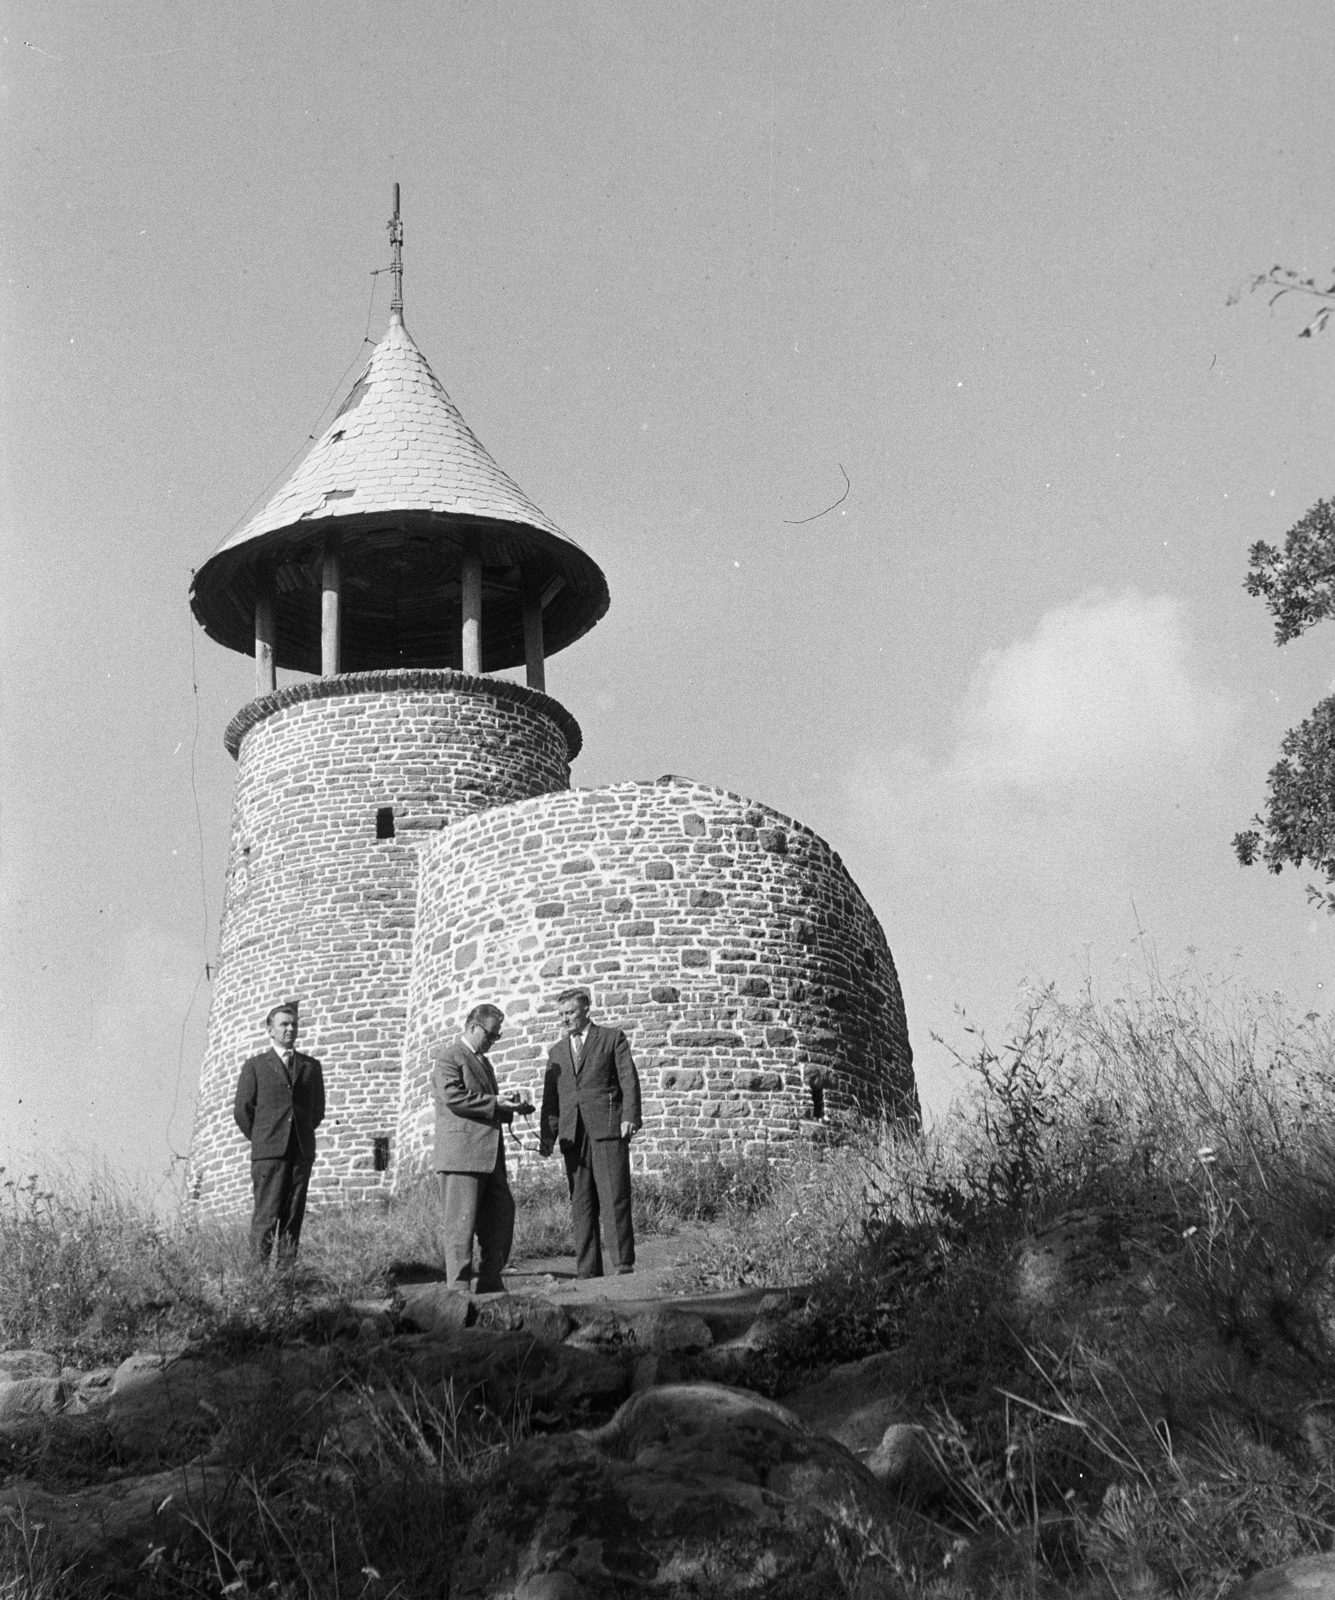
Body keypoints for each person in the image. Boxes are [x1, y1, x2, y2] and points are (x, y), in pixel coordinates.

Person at [539, 987, 642, 1277]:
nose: (565, 1019)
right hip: (572, 1134)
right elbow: (551, 1098)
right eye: (561, 1014)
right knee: (581, 1202)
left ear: (586, 1009)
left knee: (614, 1195)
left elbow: (628, 1080)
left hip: (607, 1127)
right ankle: (587, 1269)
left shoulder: (611, 1038)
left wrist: (630, 1116)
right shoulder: (556, 1052)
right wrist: (548, 1136)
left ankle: (622, 1263)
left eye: (569, 1013)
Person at [432, 1003, 533, 1293]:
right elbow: (454, 1097)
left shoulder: (482, 1061)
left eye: (497, 1037)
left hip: (489, 1155)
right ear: (473, 1027)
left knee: (502, 1213)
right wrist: (496, 1102)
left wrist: (511, 1107)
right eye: (490, 1035)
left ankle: (490, 1278)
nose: (492, 1041)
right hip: (462, 1155)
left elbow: (482, 1104)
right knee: (460, 1223)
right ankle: (458, 1286)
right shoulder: (450, 1056)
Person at [233, 1002, 326, 1264]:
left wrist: (298, 1135)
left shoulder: (311, 1066)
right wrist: (264, 1138)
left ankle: (286, 1282)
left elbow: (316, 1111)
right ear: (270, 1030)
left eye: (294, 1024)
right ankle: (258, 1281)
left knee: (293, 1219)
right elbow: (243, 1110)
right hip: (268, 1155)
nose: (290, 1029)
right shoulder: (256, 1065)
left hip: (300, 1152)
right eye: (284, 1024)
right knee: (266, 1216)